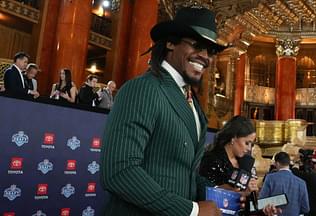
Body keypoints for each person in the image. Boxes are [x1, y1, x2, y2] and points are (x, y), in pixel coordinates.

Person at [100, 6, 279, 216]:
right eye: (197, 46)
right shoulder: (143, 89)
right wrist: (192, 210)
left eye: (210, 51)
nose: (205, 56)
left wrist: (218, 193)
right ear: (170, 42)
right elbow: (119, 172)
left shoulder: (191, 100)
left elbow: (185, 175)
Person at [199, 115, 258, 192]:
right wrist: (239, 191)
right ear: (233, 138)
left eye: (252, 144)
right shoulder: (211, 159)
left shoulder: (246, 163)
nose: (249, 148)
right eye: (247, 143)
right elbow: (205, 192)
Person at [259, 151, 310, 216]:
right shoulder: (301, 183)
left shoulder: (270, 178)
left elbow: (261, 202)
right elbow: (306, 208)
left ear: (277, 163)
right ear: (288, 163)